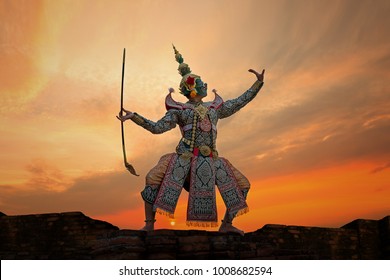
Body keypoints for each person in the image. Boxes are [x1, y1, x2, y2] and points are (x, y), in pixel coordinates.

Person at [117, 46, 265, 235]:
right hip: (184, 158)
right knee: (151, 178)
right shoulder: (180, 111)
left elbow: (238, 102)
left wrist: (257, 84)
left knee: (243, 185)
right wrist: (134, 117)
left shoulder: (214, 108)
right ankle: (149, 224)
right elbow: (157, 128)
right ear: (193, 90)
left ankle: (226, 224)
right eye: (201, 83)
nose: (205, 84)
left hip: (211, 160)